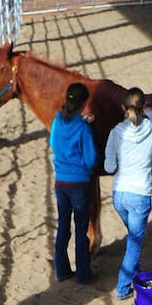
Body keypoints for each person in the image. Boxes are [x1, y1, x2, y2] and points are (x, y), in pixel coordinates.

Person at [104, 87, 152, 300]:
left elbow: (110, 167)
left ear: (123, 108)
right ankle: (123, 288)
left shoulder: (115, 132)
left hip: (119, 195)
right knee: (134, 244)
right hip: (140, 194)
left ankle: (136, 273)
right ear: (143, 108)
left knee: (133, 239)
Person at [49, 82, 98, 284]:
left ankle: (61, 270)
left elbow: (53, 143)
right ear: (83, 103)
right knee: (81, 228)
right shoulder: (83, 129)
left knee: (62, 226)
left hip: (60, 182)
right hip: (79, 184)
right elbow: (91, 159)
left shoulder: (58, 120)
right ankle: (83, 274)